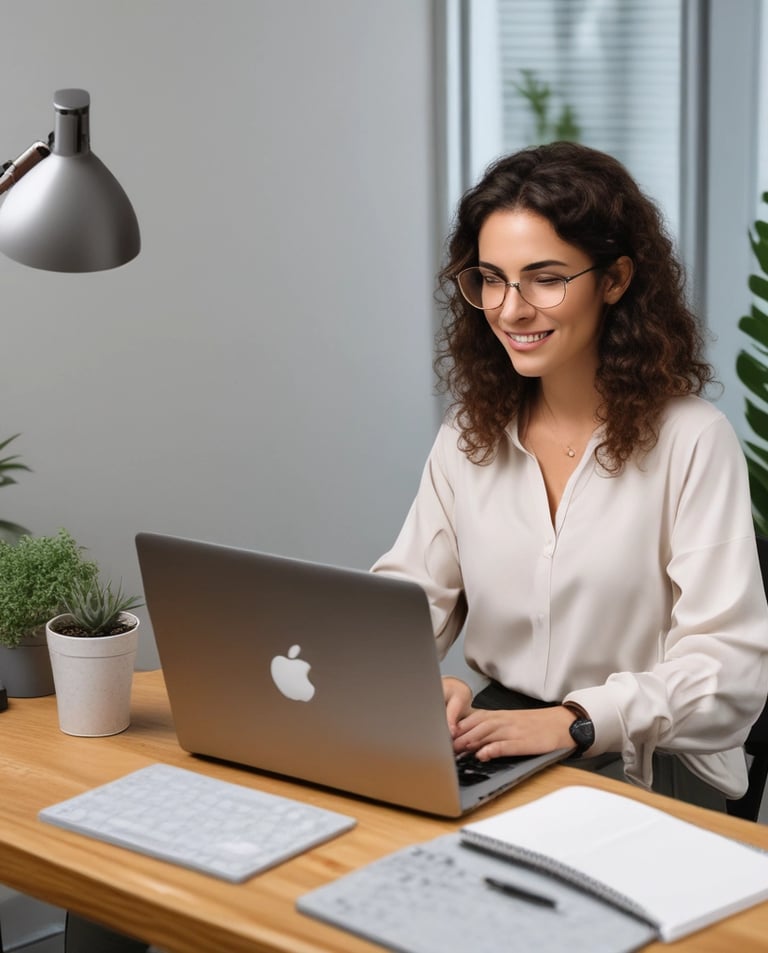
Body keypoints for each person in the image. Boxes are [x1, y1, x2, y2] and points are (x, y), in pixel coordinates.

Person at [372, 141, 768, 809]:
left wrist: (576, 721)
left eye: (545, 277)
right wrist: (412, 676)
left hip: (645, 760)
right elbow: (406, 598)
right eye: (491, 278)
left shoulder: (694, 441)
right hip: (497, 735)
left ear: (614, 280)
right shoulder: (469, 434)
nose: (509, 308)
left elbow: (728, 671)